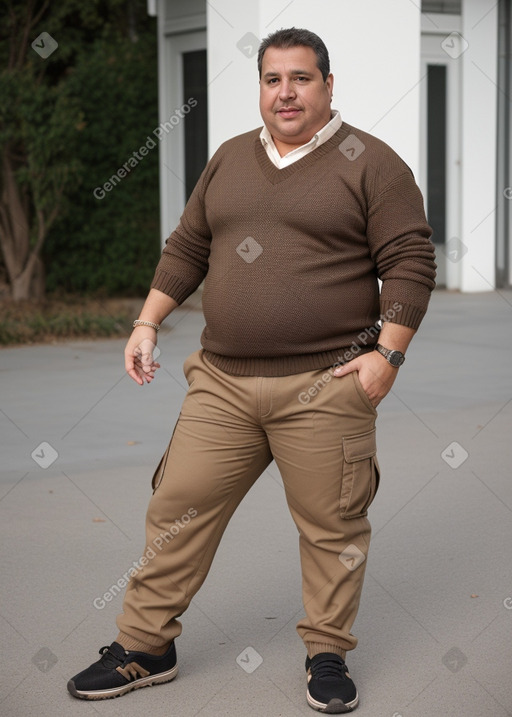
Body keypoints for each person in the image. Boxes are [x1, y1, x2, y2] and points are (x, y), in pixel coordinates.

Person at [67, 27, 436, 713]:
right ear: (261, 88)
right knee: (175, 509)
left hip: (326, 384)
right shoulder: (231, 157)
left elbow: (411, 260)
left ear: (328, 85)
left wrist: (387, 356)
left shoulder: (373, 163)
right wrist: (148, 321)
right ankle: (146, 645)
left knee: (333, 525)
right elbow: (188, 246)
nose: (286, 92)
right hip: (222, 381)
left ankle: (327, 652)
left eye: (301, 78)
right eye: (273, 79)